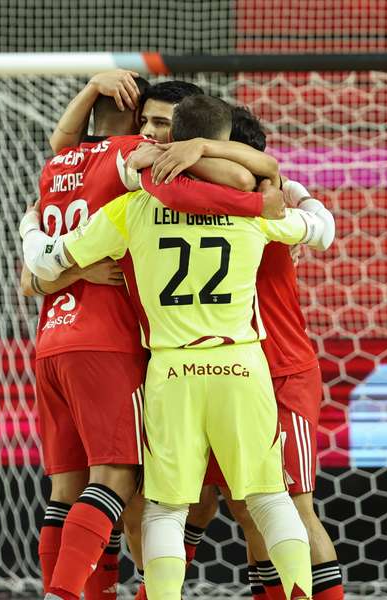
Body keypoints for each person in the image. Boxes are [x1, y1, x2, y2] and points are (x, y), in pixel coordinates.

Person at [21, 94, 336, 600]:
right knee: (271, 502)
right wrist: (287, 193)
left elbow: (49, 260)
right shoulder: (257, 208)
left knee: (166, 508)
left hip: (170, 369)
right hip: (242, 363)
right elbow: (320, 229)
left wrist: (31, 229)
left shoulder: (134, 204)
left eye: (159, 125)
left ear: (177, 140)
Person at [141, 105, 345, 600]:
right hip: (222, 372)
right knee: (232, 507)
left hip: (277, 371)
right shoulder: (256, 202)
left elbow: (322, 227)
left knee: (288, 507)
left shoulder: (265, 200)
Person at [23, 70, 150, 600]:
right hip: (105, 339)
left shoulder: (55, 169)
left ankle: (85, 593)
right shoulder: (131, 154)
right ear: (141, 120)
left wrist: (93, 86)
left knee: (65, 489)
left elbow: (31, 279)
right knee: (118, 478)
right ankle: (68, 594)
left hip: (52, 335)